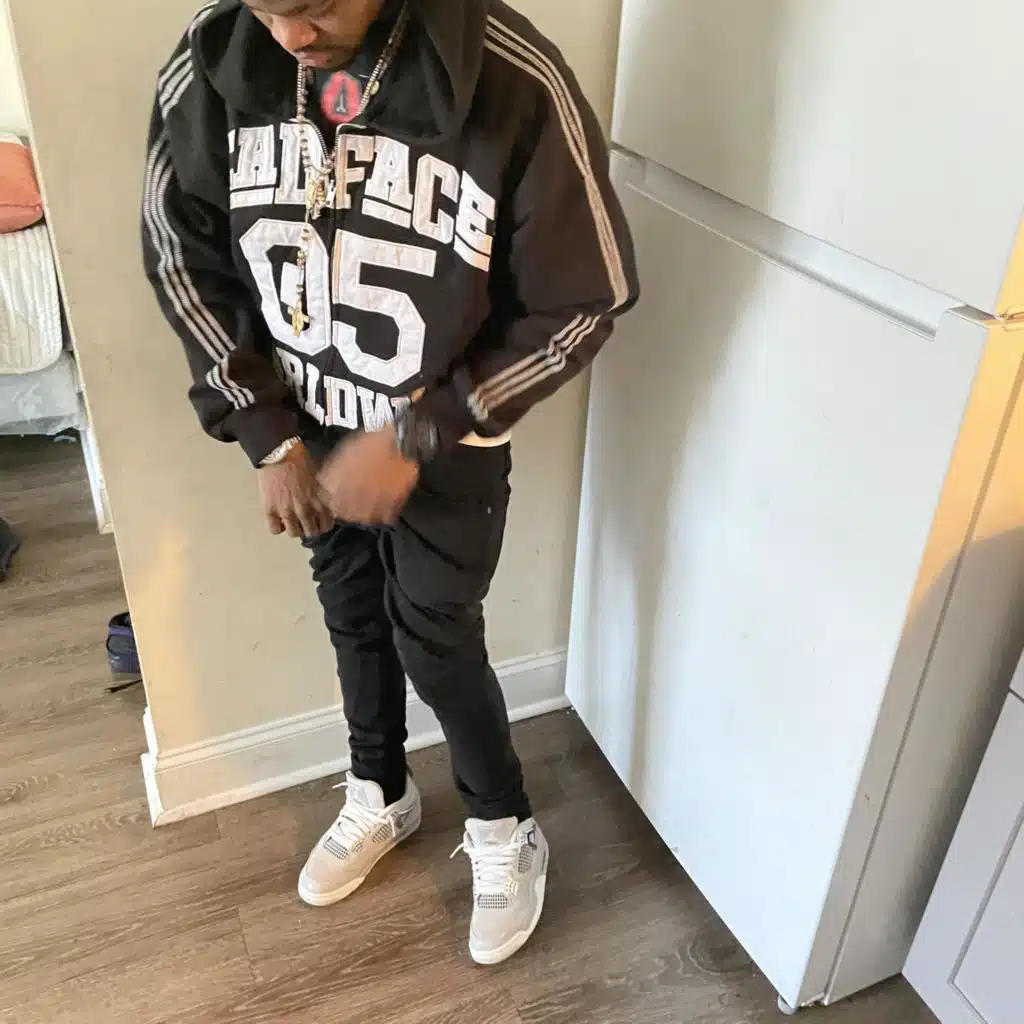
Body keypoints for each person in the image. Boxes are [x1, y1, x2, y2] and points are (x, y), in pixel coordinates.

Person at [142, 0, 638, 965]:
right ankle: (380, 788)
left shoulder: (514, 76)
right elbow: (183, 257)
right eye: (268, 8)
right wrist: (269, 439)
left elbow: (587, 299)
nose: (290, 37)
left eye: (315, 6)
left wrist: (416, 432)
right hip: (306, 431)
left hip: (444, 447)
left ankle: (503, 821)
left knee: (437, 636)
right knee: (352, 614)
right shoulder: (210, 62)